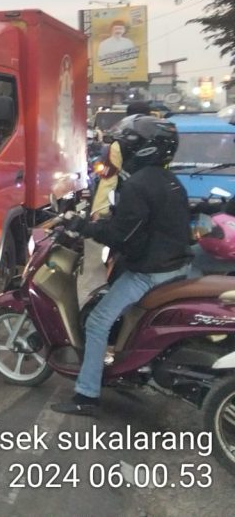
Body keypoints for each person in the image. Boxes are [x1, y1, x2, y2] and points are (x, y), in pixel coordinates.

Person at [52, 115, 191, 417]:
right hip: (176, 266)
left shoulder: (138, 184)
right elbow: (142, 225)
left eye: (122, 143)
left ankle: (86, 395)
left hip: (151, 273)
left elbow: (120, 235)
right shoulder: (171, 181)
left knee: (97, 321)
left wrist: (84, 227)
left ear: (138, 148)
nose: (117, 148)